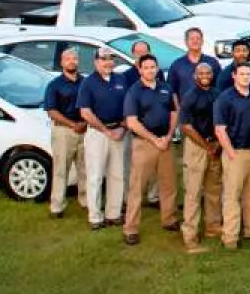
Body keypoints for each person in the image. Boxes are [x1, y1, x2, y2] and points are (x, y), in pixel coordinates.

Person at [121, 55, 179, 246]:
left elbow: (174, 112)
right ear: (140, 70)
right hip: (144, 144)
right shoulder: (134, 92)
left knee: (168, 183)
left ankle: (169, 218)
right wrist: (154, 140)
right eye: (146, 67)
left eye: (153, 67)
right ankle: (131, 228)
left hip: (165, 142)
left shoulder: (165, 87)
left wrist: (169, 136)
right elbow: (132, 122)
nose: (150, 70)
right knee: (137, 187)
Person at [212, 63, 250, 250]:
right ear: (234, 76)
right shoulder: (225, 99)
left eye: (248, 74)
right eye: (241, 74)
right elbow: (220, 129)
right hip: (235, 153)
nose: (245, 77)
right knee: (232, 196)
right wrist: (231, 152)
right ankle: (230, 236)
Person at [76, 50, 129, 231]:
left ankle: (113, 214)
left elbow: (128, 107)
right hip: (98, 133)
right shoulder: (88, 83)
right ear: (95, 62)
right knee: (95, 176)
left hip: (119, 131)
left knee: (117, 174)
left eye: (111, 59)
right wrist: (106, 130)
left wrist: (122, 127)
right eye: (103, 59)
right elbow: (85, 112)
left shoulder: (120, 80)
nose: (108, 62)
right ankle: (95, 216)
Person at [178, 61, 223, 254]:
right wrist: (206, 146)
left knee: (214, 188)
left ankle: (213, 225)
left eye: (208, 72)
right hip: (197, 146)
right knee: (194, 192)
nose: (205, 75)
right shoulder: (190, 97)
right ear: (195, 76)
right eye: (201, 73)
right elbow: (186, 127)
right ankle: (190, 234)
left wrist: (217, 144)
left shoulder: (216, 93)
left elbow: (222, 120)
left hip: (215, 145)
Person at [44, 48, 86, 220]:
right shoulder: (54, 85)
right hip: (63, 131)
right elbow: (51, 111)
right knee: (61, 169)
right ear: (62, 62)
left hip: (84, 129)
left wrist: (83, 123)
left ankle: (86, 201)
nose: (72, 61)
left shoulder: (85, 82)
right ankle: (57, 205)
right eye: (68, 59)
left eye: (74, 58)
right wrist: (72, 124)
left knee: (85, 168)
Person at [168, 28, 222, 106]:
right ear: (186, 42)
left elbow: (219, 87)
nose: (195, 41)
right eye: (192, 38)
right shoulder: (177, 65)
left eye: (198, 38)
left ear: (202, 41)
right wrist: (178, 110)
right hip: (186, 111)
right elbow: (172, 91)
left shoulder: (213, 62)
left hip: (209, 111)